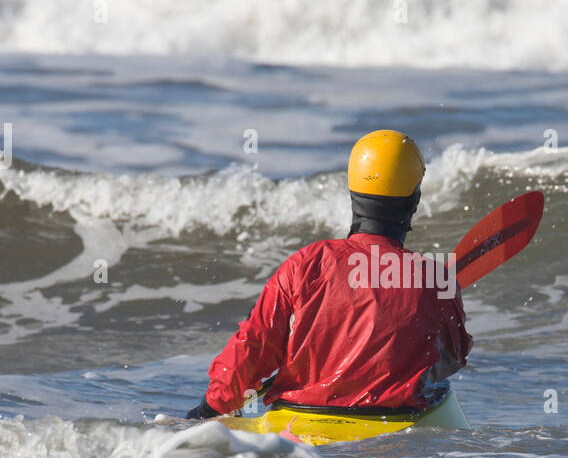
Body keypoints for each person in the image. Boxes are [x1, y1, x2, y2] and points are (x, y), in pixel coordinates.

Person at [185, 130, 472, 419]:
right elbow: (452, 359)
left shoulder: (305, 263)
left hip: (299, 427)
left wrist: (209, 408)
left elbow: (253, 347)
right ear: (415, 200)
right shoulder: (435, 277)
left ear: (353, 193)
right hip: (392, 433)